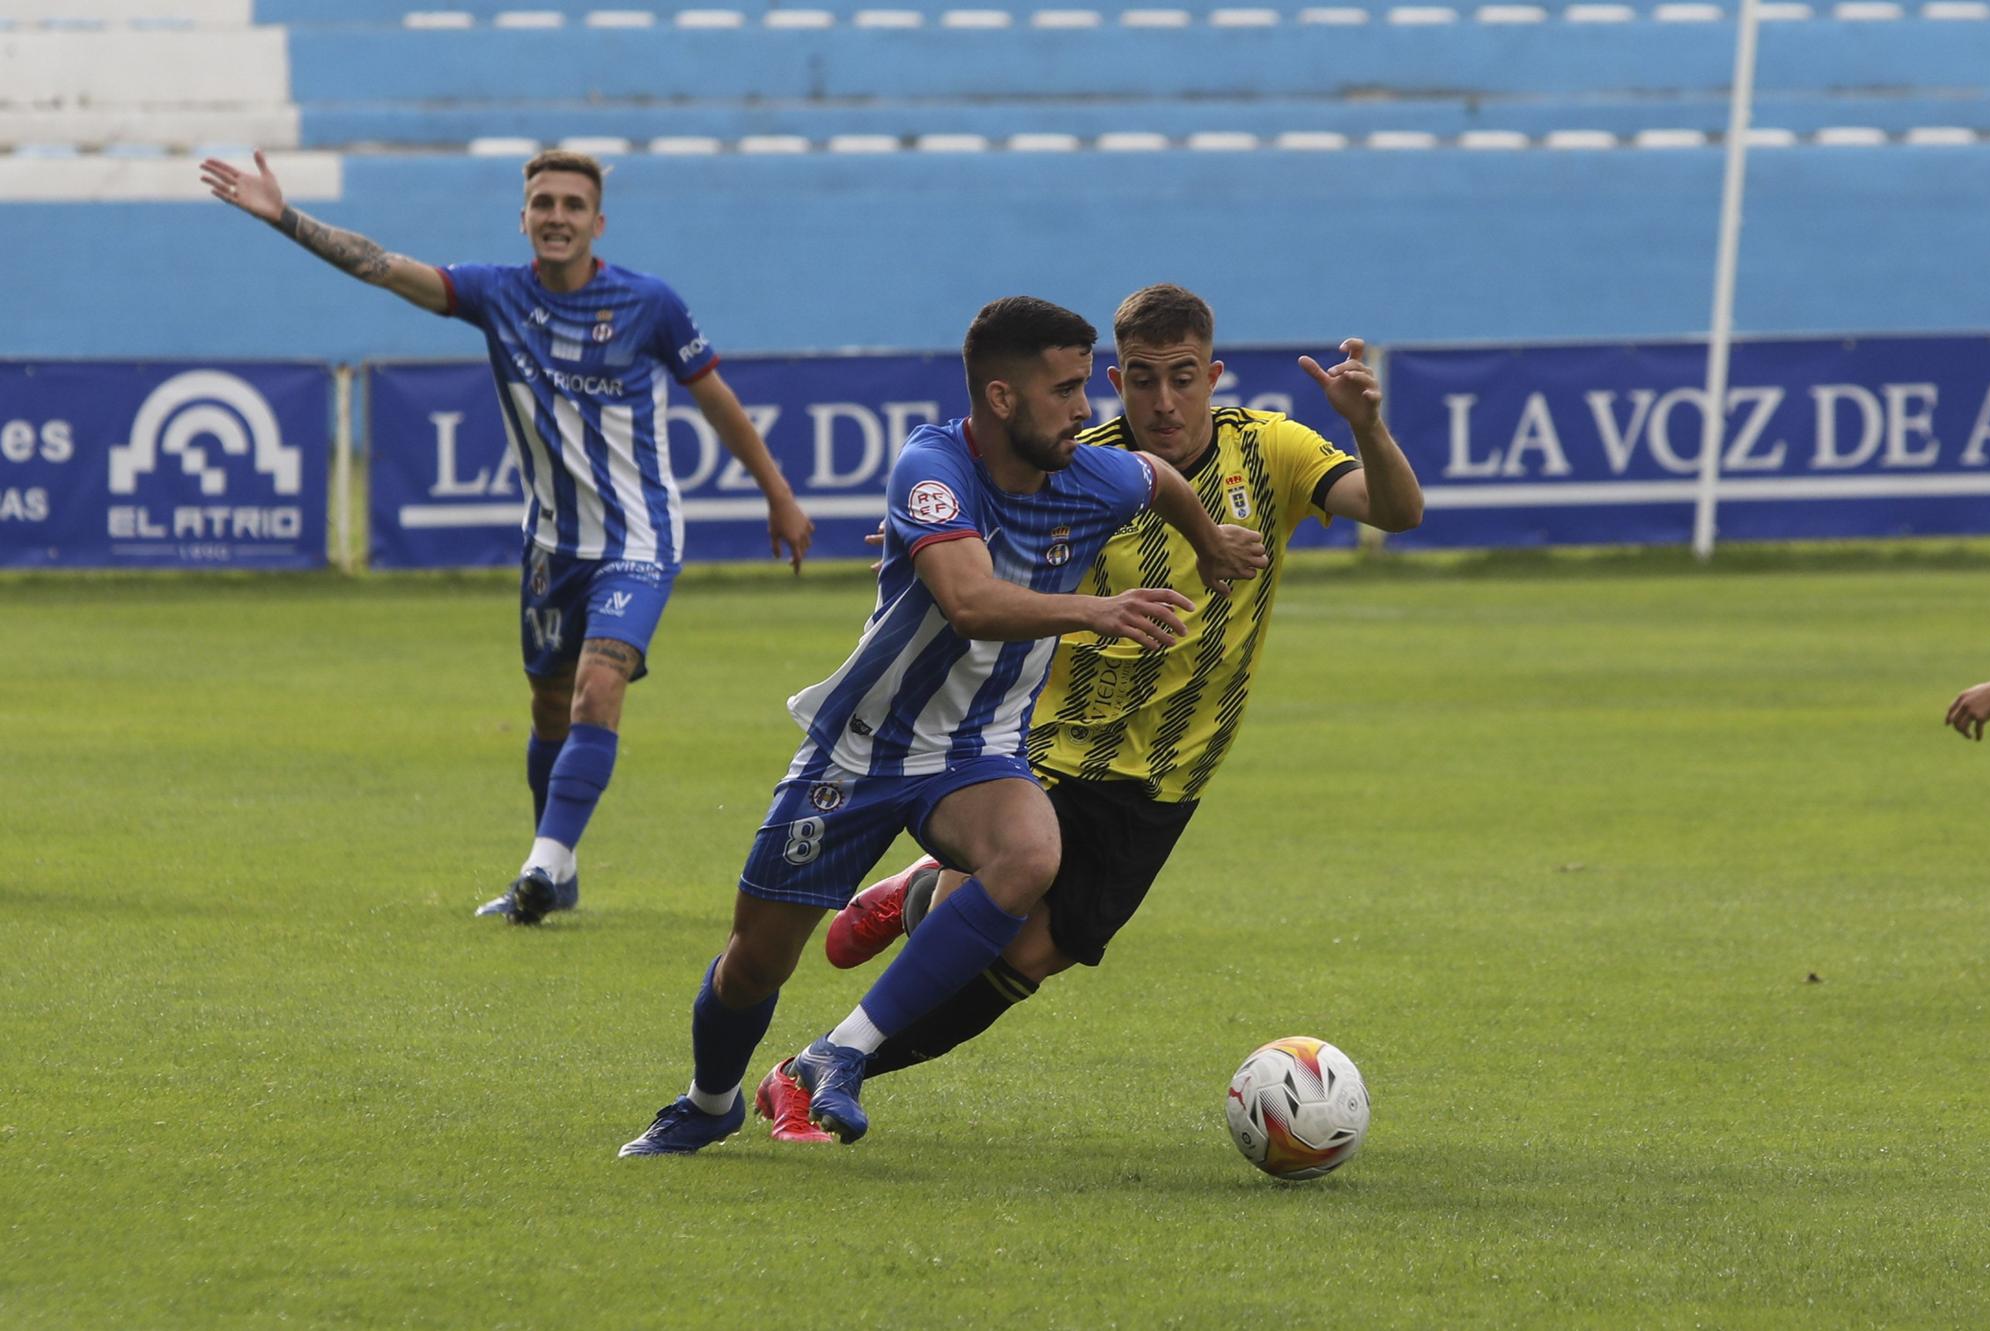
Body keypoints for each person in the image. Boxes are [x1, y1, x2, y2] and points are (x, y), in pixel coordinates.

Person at [751, 284, 1421, 1142]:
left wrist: (1367, 423)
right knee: (992, 907)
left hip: (1171, 771)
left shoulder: (1272, 450)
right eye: (1142, 380)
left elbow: (1399, 512)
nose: (1164, 400)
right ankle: (823, 1063)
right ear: (1115, 377)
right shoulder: (1074, 466)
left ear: (1213, 374)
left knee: (1029, 960)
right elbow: (967, 553)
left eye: (1183, 378)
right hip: (1042, 745)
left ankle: (867, 972)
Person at [617, 296, 1269, 1155]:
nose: (1086, 411)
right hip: (862, 748)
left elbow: (1161, 481)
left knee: (1031, 852)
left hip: (975, 750)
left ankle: (841, 1053)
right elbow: (967, 602)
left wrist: (1213, 544)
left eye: (1085, 388)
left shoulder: (1096, 474)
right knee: (755, 961)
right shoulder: (932, 467)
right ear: (1001, 399)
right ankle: (709, 1101)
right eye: (1066, 390)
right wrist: (1096, 608)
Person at [200, 149, 814, 923]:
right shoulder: (497, 295)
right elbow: (383, 266)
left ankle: (541, 864)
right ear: (523, 217)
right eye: (542, 202)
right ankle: (559, 871)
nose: (557, 215)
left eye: (572, 204)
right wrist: (284, 217)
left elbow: (718, 400)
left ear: (598, 221)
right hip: (551, 547)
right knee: (551, 709)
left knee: (600, 687)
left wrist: (779, 496)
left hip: (639, 538)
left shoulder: (649, 304)